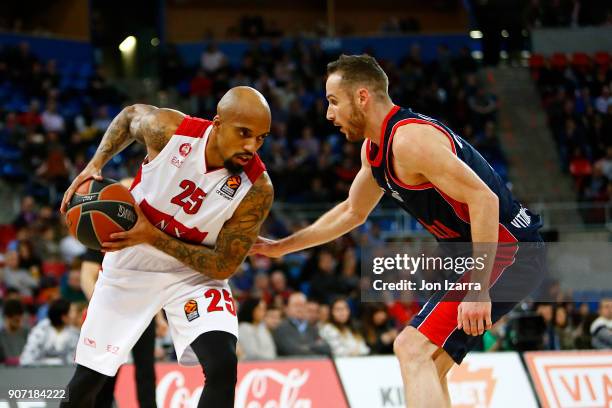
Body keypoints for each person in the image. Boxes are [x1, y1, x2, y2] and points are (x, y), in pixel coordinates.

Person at [252, 54, 544, 407]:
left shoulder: (409, 141)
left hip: (507, 250)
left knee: (411, 348)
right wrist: (281, 247)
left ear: (362, 97)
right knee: (428, 366)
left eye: (333, 101)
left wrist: (477, 290)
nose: (329, 114)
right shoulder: (374, 149)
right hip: (484, 254)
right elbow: (351, 211)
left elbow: (484, 199)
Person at [59, 86, 273, 408]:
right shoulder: (171, 131)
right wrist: (96, 163)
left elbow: (223, 266)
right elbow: (130, 116)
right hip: (132, 264)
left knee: (222, 364)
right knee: (86, 385)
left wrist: (153, 235)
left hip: (194, 274)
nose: (251, 146)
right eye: (244, 133)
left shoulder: (256, 189)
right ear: (217, 123)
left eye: (260, 138)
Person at [80, 245, 164, 408]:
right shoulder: (104, 234)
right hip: (113, 314)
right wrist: (101, 308)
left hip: (142, 312)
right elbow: (86, 277)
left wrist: (158, 316)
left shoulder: (142, 239)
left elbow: (151, 282)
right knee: (107, 366)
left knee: (146, 369)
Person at [20, 298, 79, 366]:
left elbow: (74, 362)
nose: (75, 316)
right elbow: (26, 360)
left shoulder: (75, 334)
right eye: (72, 312)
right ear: (63, 317)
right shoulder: (39, 331)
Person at [0, 298, 29, 366]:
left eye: (18, 320)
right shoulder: (1, 337)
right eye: (14, 320)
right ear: (6, 317)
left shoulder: (28, 334)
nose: (17, 323)